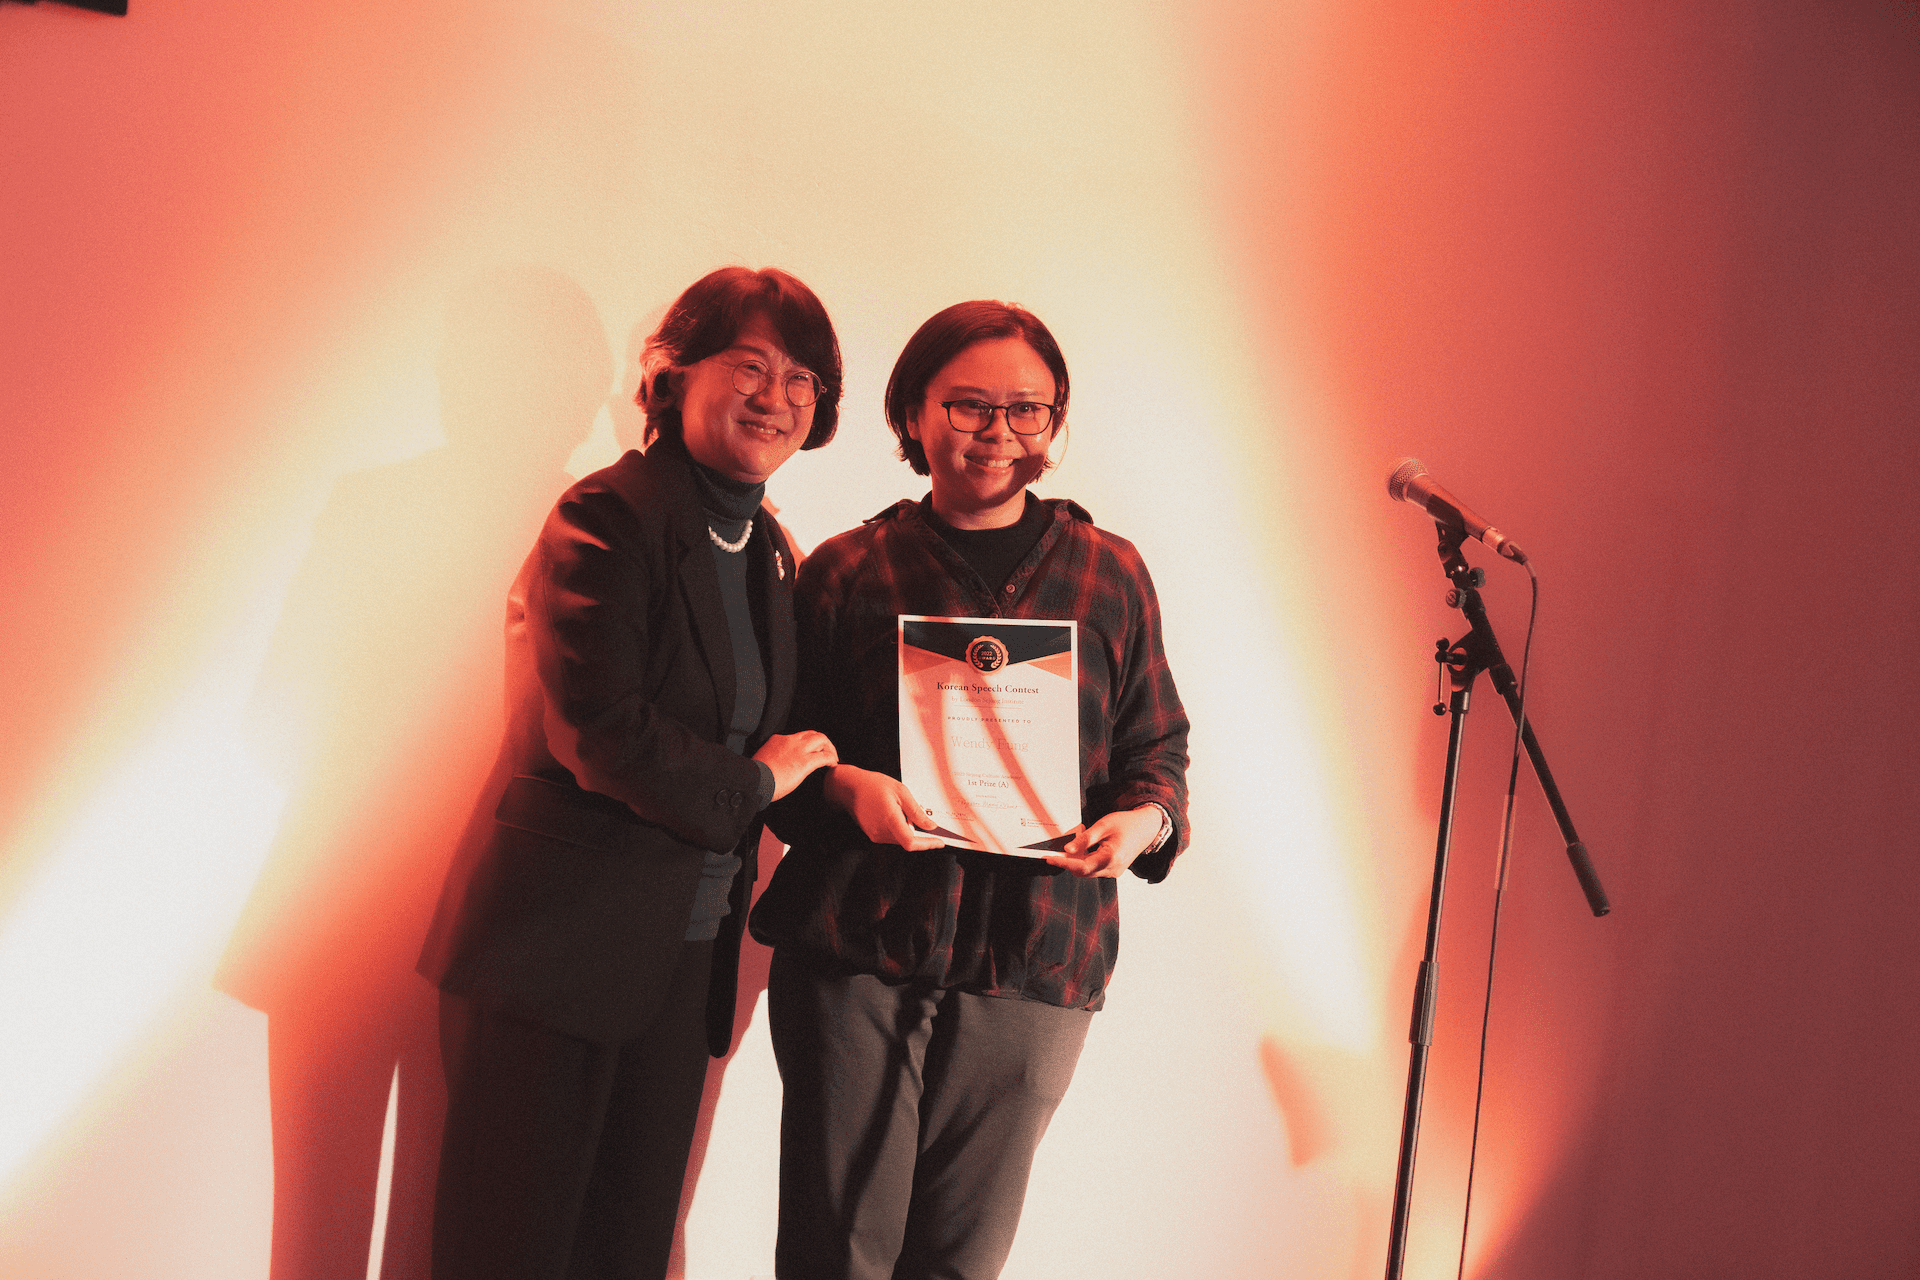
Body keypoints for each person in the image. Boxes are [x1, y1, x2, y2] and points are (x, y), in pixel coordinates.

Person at [416, 266, 843, 1280]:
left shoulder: (770, 549)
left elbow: (783, 738)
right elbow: (601, 734)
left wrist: (836, 780)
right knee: (506, 1255)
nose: (776, 395)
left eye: (800, 377)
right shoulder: (607, 515)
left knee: (626, 1251)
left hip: (678, 959)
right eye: (750, 364)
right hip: (553, 956)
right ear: (671, 372)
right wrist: (762, 785)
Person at [750, 300, 1191, 1280]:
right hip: (860, 940)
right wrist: (844, 787)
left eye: (1026, 410)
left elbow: (1156, 741)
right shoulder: (846, 570)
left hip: (1037, 948)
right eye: (968, 407)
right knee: (836, 1251)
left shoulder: (1110, 572)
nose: (998, 433)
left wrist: (1142, 817)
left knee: (961, 1259)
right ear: (913, 413)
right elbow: (777, 760)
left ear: (1054, 420)